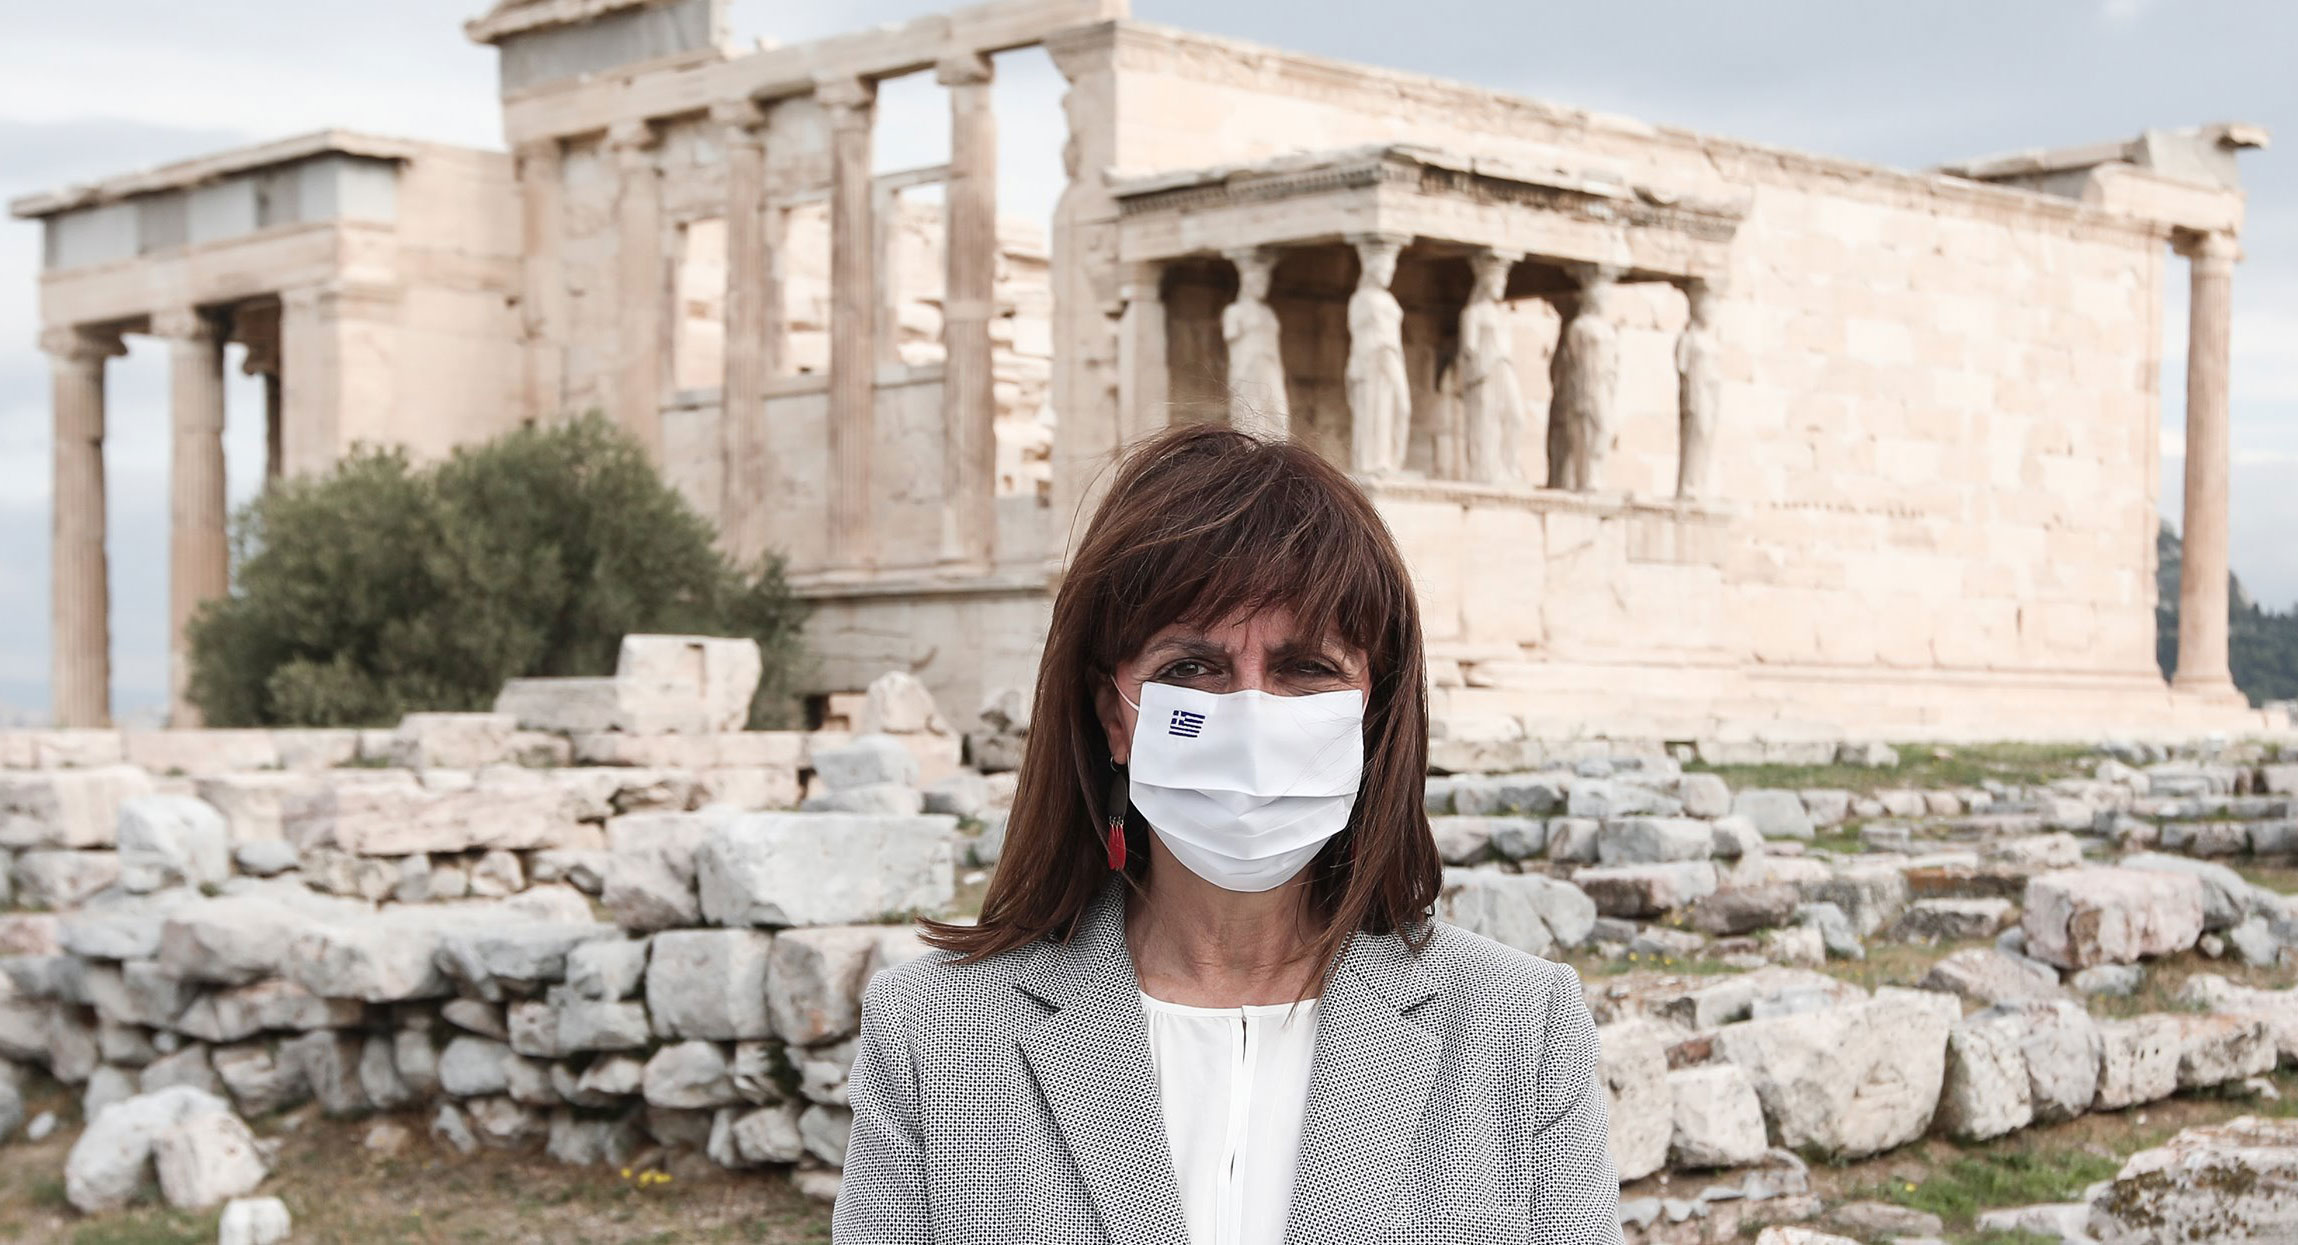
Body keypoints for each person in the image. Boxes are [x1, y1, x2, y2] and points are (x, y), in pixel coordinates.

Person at [833, 424, 1622, 1244]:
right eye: (1191, 668)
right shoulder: (934, 1030)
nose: (1250, 716)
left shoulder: (1519, 1026)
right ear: (1115, 717)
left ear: (1370, 709)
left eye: (1305, 667)